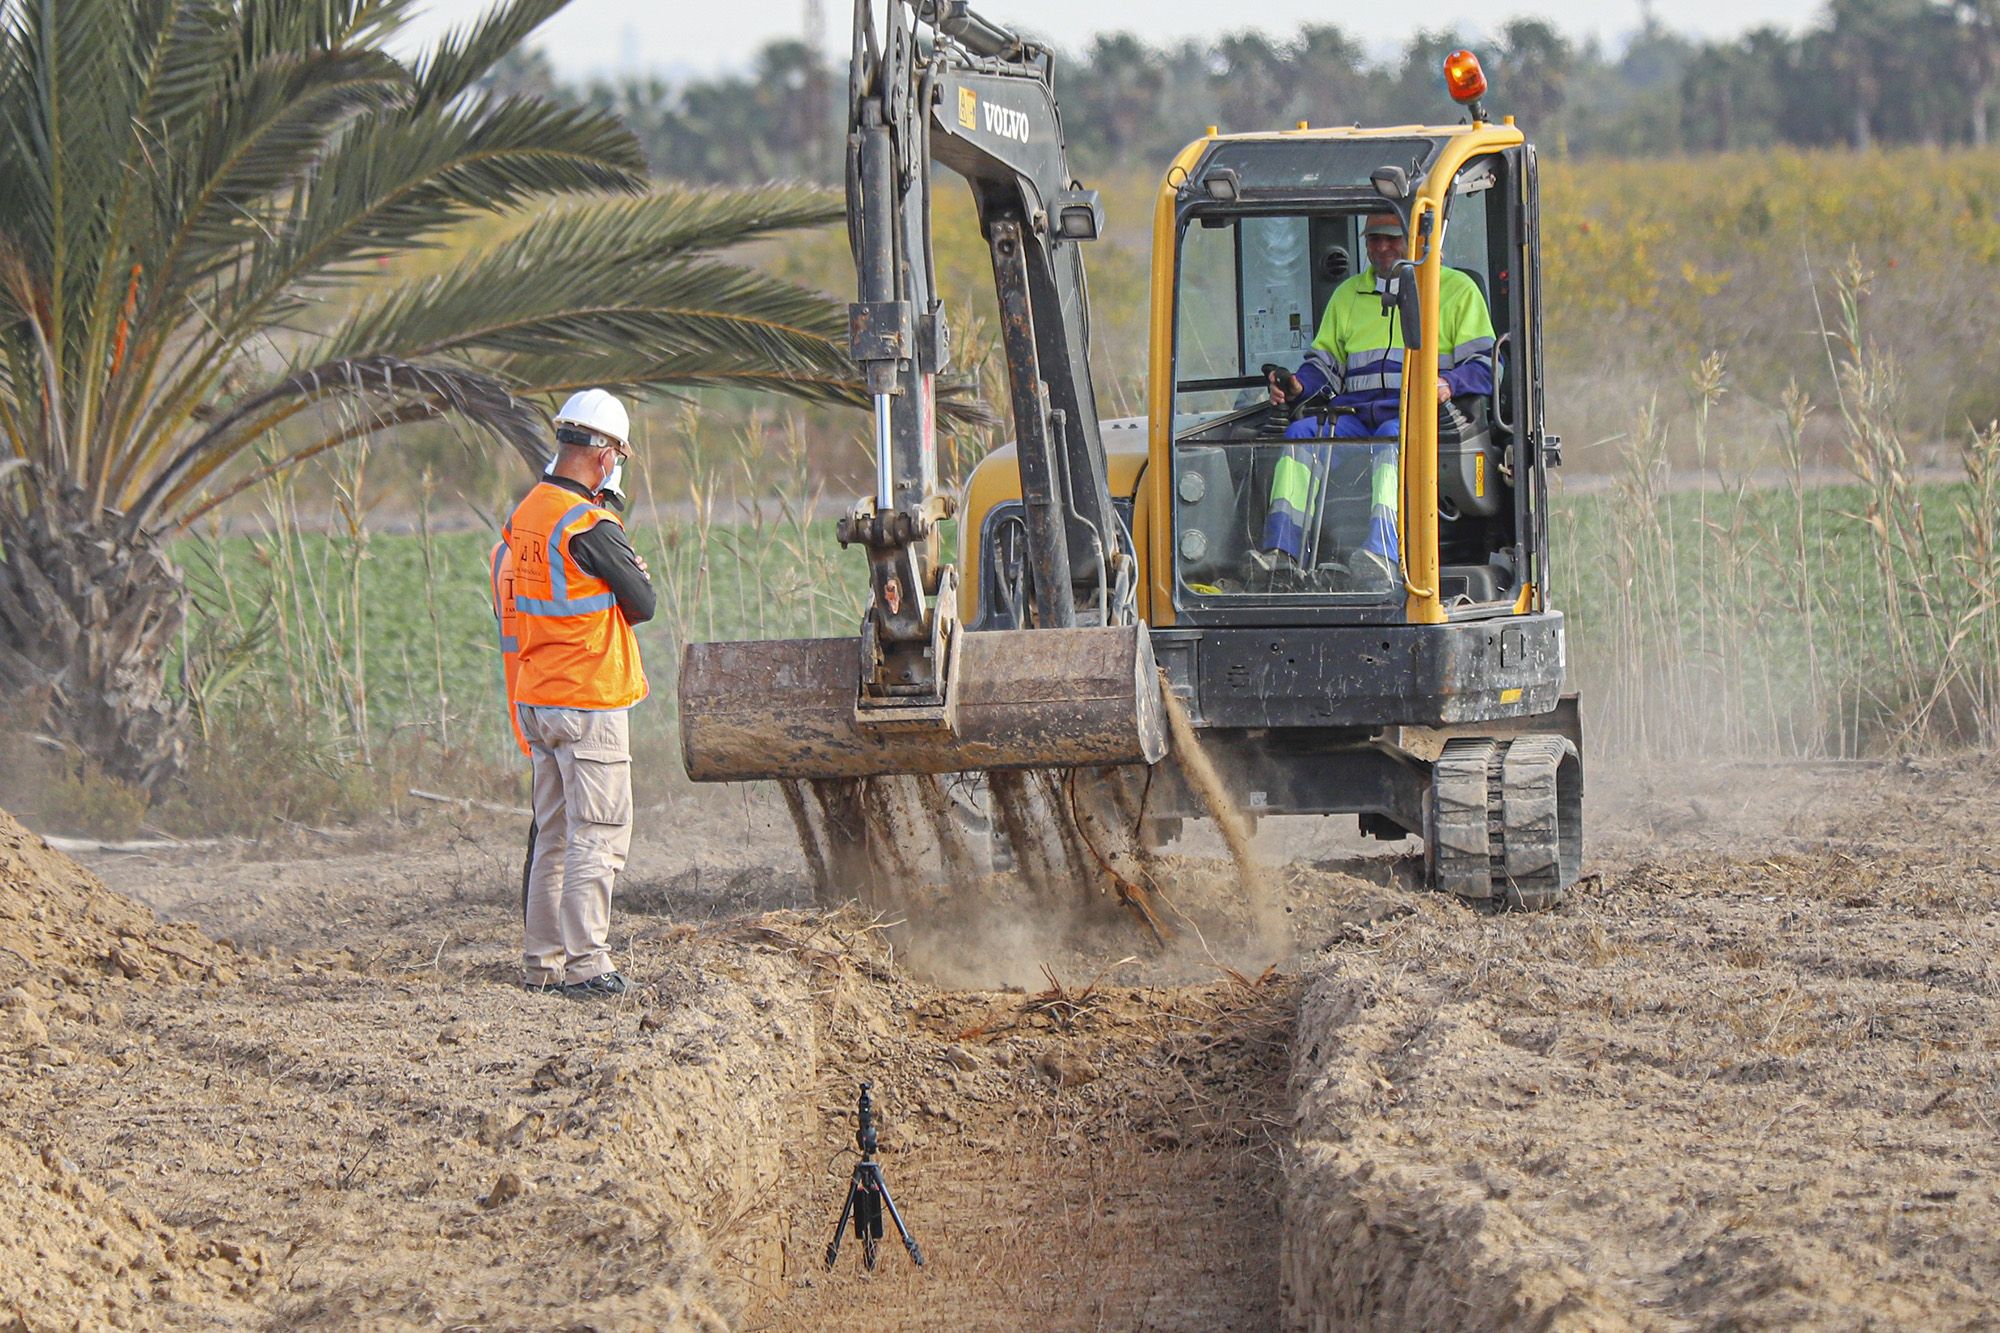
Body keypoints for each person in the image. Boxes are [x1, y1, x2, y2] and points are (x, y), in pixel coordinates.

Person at [502, 389, 654, 998]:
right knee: (598, 833)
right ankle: (589, 964)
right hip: (588, 698)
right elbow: (642, 603)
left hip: (538, 694)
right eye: (619, 455)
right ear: (605, 456)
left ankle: (542, 964)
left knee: (555, 835)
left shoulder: (530, 512)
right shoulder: (591, 524)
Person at [1254, 212, 1495, 590]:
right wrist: (1298, 385)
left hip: (1414, 416)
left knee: (1390, 441)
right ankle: (1283, 552)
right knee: (1302, 434)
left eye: (1392, 238)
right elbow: (1325, 364)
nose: (1382, 248)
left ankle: (1382, 553)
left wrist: (1448, 383)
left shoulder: (1456, 291)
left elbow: (1485, 367)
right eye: (1373, 239)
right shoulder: (1347, 296)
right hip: (1355, 415)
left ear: (1416, 237)